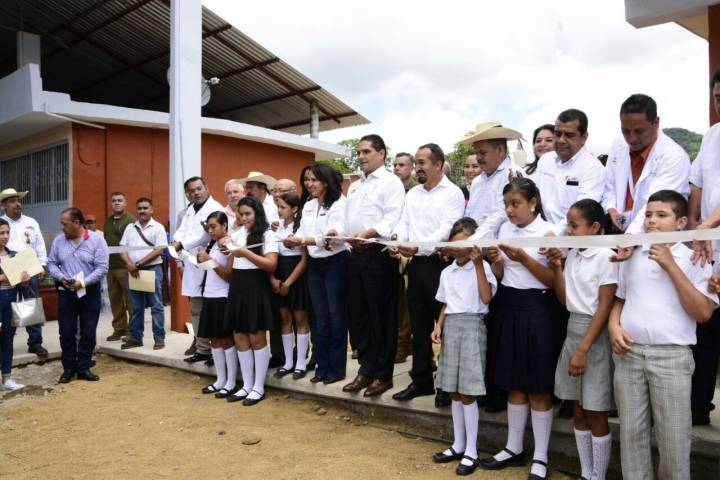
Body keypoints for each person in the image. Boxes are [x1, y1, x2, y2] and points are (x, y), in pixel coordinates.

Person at [609, 190, 717, 479]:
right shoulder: (633, 253)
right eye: (647, 215)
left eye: (661, 215)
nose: (652, 221)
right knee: (631, 435)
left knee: (673, 439)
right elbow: (620, 298)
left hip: (671, 358)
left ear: (681, 223)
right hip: (629, 354)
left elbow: (703, 313)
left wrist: (670, 264)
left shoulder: (695, 256)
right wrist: (614, 326)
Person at [479, 178, 557, 480]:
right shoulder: (505, 230)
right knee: (513, 382)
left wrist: (523, 257)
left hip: (538, 309)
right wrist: (496, 262)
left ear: (533, 203)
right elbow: (500, 276)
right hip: (508, 306)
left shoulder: (548, 232)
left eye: (516, 204)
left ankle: (541, 456)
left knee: (538, 385)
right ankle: (513, 447)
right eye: (506, 205)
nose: (510, 211)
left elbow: (553, 280)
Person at [545, 199, 617, 480]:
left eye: (575, 225)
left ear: (595, 227)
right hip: (573, 329)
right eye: (568, 225)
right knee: (578, 408)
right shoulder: (573, 254)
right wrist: (556, 267)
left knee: (596, 410)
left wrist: (583, 349)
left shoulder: (606, 256)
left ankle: (598, 475)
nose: (569, 231)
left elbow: (604, 307)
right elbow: (565, 300)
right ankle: (586, 472)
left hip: (594, 336)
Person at [390, 143, 465, 404]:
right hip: (416, 265)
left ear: (438, 164)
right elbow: (404, 223)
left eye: (422, 163)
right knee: (419, 325)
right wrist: (397, 242)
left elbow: (447, 230)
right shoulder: (413, 194)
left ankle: (446, 383)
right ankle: (421, 380)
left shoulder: (452, 193)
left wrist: (417, 246)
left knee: (445, 327)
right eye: (417, 162)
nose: (417, 168)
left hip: (441, 265)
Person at [430, 218, 497, 475]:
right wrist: (439, 325)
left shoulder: (483, 267)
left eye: (463, 244)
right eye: (454, 244)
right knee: (454, 390)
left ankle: (472, 449)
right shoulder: (447, 272)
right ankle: (458, 444)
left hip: (472, 325)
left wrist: (479, 264)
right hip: (453, 326)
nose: (458, 250)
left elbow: (486, 298)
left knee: (468, 391)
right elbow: (447, 303)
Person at [343, 134, 405, 397]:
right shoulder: (355, 186)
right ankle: (366, 370)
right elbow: (349, 220)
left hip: (377, 256)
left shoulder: (391, 183)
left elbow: (392, 218)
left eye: (367, 151)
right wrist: (343, 236)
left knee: (382, 317)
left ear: (381, 154)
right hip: (355, 256)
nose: (361, 156)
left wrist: (368, 234)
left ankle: (383, 374)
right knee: (359, 316)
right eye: (359, 152)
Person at [285, 163, 349, 385]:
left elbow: (337, 231)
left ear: (326, 181)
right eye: (306, 180)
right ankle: (322, 366)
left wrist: (311, 238)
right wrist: (293, 239)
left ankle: (336, 369)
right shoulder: (309, 205)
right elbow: (303, 232)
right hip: (315, 263)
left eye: (314, 180)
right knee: (319, 317)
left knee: (336, 316)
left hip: (336, 262)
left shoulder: (340, 203)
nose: (309, 184)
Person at [602, 94, 691, 235]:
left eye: (639, 131)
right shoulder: (618, 144)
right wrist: (612, 211)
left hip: (657, 236)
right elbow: (609, 185)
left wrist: (631, 236)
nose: (631, 138)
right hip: (620, 231)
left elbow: (658, 205)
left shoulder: (674, 157)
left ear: (656, 122)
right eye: (625, 130)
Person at [221, 196, 278, 406]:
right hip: (238, 287)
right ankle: (246, 385)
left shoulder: (267, 234)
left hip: (256, 287)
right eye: (241, 214)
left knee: (256, 337)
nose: (244, 218)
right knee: (240, 337)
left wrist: (244, 252)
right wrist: (225, 247)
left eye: (248, 214)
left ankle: (258, 387)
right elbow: (228, 257)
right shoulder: (237, 234)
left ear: (257, 213)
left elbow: (271, 264)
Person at [688, 67, 720, 426]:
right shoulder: (712, 135)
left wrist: (707, 224)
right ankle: (699, 406)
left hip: (711, 237)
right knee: (705, 331)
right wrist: (695, 223)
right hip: (709, 252)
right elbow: (696, 183)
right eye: (718, 98)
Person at [48, 208, 109, 383]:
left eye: (64, 224)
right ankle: (68, 369)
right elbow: (51, 263)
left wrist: (83, 283)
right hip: (66, 291)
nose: (62, 227)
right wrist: (61, 277)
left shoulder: (97, 240)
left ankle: (83, 368)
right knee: (66, 332)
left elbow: (102, 268)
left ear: (77, 223)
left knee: (88, 331)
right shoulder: (59, 241)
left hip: (89, 291)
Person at [171, 176, 224, 363]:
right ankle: (203, 349)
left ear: (206, 188)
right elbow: (180, 232)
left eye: (199, 188)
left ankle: (218, 351)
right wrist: (176, 242)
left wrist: (181, 244)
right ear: (187, 194)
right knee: (196, 310)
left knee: (214, 310)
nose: (196, 193)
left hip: (211, 263)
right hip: (192, 265)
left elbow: (205, 236)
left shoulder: (215, 208)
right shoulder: (189, 210)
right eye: (191, 191)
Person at [534, 109, 605, 234]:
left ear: (584, 137)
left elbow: (583, 214)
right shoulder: (545, 160)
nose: (561, 140)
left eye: (569, 135)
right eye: (557, 134)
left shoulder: (592, 168)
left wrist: (554, 233)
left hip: (572, 239)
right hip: (541, 234)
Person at [0, 188, 49, 358]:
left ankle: (35, 343)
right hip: (8, 269)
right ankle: (6, 343)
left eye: (18, 200)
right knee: (9, 306)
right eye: (12, 201)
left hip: (30, 268)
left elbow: (40, 244)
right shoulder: (2, 223)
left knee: (31, 304)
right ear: (4, 205)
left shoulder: (31, 222)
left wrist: (42, 264)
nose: (17, 204)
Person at [196, 211, 237, 399]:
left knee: (226, 339)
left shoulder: (228, 243)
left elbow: (229, 275)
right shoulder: (213, 243)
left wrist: (210, 261)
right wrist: (201, 261)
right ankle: (220, 379)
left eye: (214, 227)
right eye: (209, 227)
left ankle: (231, 382)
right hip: (210, 295)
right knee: (214, 339)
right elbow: (211, 269)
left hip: (222, 296)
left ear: (224, 226)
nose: (210, 231)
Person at [270, 193, 311, 380]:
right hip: (279, 273)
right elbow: (271, 254)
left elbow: (304, 260)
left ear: (294, 209)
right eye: (278, 207)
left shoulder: (301, 227)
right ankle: (288, 362)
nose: (279, 210)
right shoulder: (276, 228)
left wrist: (289, 282)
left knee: (300, 319)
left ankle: (301, 362)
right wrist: (273, 278)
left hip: (296, 276)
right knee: (284, 319)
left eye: (283, 207)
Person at [118, 197, 167, 350]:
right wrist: (129, 264)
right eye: (139, 208)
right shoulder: (130, 227)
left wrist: (138, 264)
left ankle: (159, 338)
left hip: (152, 269)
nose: (142, 211)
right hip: (133, 271)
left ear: (152, 210)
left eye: (145, 208)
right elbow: (122, 248)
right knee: (136, 306)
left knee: (156, 306)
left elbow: (159, 250)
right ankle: (136, 338)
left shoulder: (158, 227)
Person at [460, 121, 522, 239]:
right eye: (476, 153)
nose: (478, 158)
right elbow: (469, 214)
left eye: (482, 153)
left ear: (500, 150)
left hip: (502, 246)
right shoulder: (477, 182)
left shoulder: (514, 175)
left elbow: (501, 214)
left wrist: (472, 240)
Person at [393, 152, 416, 365]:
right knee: (399, 304)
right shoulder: (392, 189)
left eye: (401, 165)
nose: (397, 168)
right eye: (395, 165)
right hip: (394, 251)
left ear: (412, 168)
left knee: (411, 305)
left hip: (413, 253)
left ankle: (405, 345)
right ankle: (401, 344)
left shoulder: (416, 191)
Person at [0, 218, 29, 391]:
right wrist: (4, 277)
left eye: (7, 232)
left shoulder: (14, 255)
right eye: (1, 233)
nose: (5, 236)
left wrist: (24, 280)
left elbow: (21, 282)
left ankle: (7, 378)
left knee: (8, 338)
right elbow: (6, 278)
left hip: (11, 297)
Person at [103, 192, 135, 342]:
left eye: (120, 200)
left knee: (130, 300)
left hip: (125, 266)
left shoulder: (131, 221)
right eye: (114, 200)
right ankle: (119, 328)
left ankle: (133, 330)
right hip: (110, 266)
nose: (116, 203)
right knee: (115, 300)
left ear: (125, 203)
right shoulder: (108, 221)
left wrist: (130, 263)